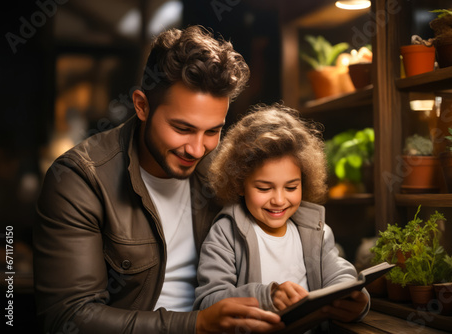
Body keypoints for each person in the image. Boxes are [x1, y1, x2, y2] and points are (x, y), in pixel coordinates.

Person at [33, 25, 284, 334]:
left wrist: (330, 295)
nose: (197, 149)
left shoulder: (223, 172)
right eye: (182, 128)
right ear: (142, 106)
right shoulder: (80, 179)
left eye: (212, 131)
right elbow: (69, 318)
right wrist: (197, 325)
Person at [193, 104, 370, 332]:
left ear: (303, 181)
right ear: (239, 184)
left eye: (291, 187)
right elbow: (209, 302)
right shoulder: (226, 232)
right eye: (264, 188)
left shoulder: (316, 230)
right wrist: (268, 297)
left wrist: (356, 300)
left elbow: (340, 274)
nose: (279, 200)